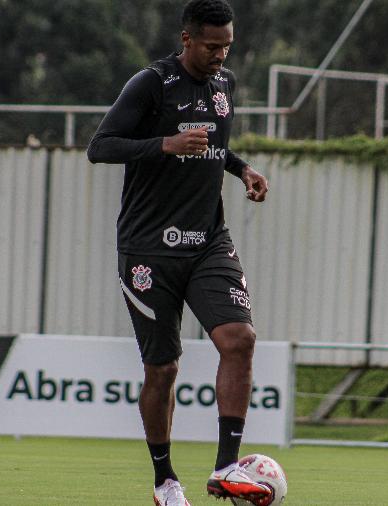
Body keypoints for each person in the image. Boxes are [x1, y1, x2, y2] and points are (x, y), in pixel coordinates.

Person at [87, 1, 271, 504]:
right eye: (212, 46)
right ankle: (165, 480)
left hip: (208, 239)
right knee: (163, 369)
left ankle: (227, 469)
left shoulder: (225, 85)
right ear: (187, 39)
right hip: (148, 249)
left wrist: (241, 169)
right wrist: (164, 145)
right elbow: (100, 146)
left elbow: (210, 143)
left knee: (239, 338)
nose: (220, 54)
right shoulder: (150, 84)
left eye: (227, 45)